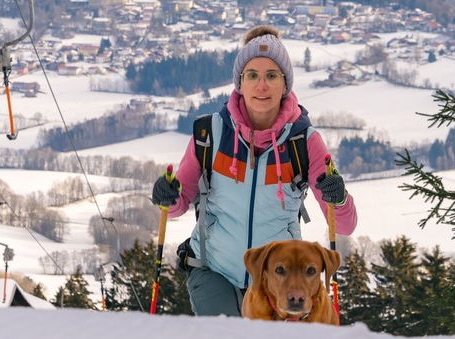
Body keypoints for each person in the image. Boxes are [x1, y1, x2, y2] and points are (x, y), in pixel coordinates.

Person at [150, 25, 357, 316]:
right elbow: (175, 207)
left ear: (285, 84)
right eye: (252, 76)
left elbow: (344, 226)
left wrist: (339, 197)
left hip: (279, 280)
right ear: (240, 83)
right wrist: (166, 195)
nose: (262, 86)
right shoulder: (210, 134)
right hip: (213, 271)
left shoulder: (304, 141)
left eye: (272, 76)